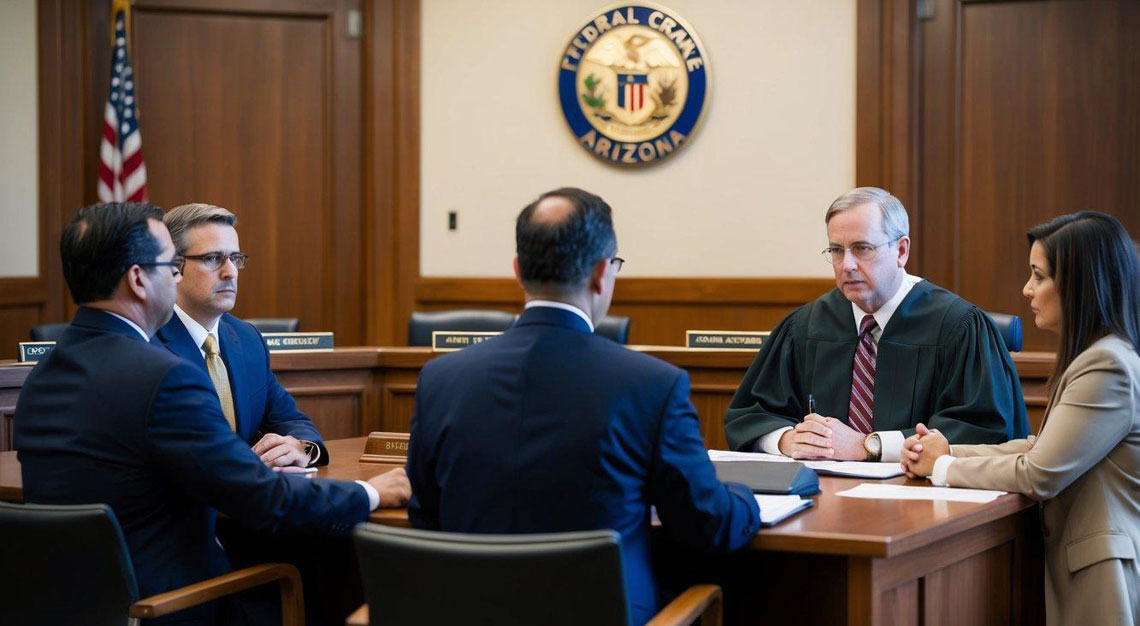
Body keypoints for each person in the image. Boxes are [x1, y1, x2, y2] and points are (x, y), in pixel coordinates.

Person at [14, 203, 409, 625]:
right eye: (171, 265)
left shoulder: (43, 375)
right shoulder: (162, 378)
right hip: (168, 606)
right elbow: (263, 499)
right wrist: (372, 492)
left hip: (65, 607)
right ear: (138, 280)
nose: (177, 275)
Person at [405, 187, 760, 625]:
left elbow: (425, 516)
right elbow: (707, 524)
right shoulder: (653, 385)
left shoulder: (440, 379)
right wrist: (748, 498)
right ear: (600, 273)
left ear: (517, 271)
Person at [902, 211, 1140, 626]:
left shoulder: (1108, 365)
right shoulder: (1097, 355)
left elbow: (1039, 473)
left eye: (1039, 276)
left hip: (1101, 580)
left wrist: (942, 468)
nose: (1026, 289)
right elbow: (1038, 444)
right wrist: (948, 448)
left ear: (1080, 283)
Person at [724, 187, 1028, 462]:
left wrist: (871, 445)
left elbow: (983, 431)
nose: (847, 265)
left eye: (862, 248)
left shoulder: (958, 327)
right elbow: (750, 416)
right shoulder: (805, 327)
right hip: (824, 498)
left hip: (927, 499)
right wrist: (789, 440)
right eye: (836, 251)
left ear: (901, 251)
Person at [158, 203, 324, 469]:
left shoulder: (247, 340)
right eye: (213, 258)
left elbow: (293, 421)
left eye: (235, 259)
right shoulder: (146, 342)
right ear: (174, 267)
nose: (231, 272)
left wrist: (302, 447)